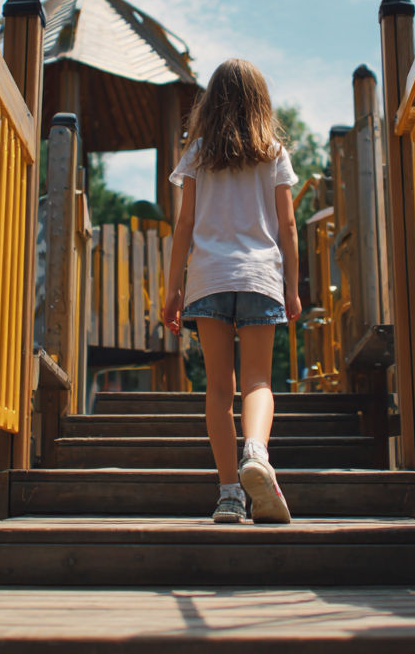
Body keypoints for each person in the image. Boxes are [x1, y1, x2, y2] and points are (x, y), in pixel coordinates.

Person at [161, 58, 301, 524]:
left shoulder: (198, 152)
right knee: (259, 381)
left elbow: (184, 225)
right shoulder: (274, 152)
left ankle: (227, 496)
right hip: (261, 276)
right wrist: (293, 289)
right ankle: (256, 453)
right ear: (260, 101)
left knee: (219, 388)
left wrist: (173, 289)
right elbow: (288, 227)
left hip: (209, 277)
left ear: (210, 104)